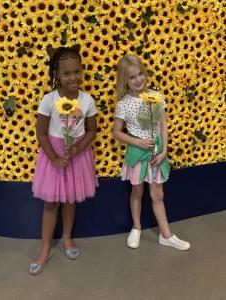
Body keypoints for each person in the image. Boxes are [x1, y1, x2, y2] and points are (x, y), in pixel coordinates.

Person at [29, 46, 98, 275]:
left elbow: (91, 130)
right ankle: (45, 248)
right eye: (67, 73)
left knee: (71, 201)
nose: (73, 77)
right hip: (54, 155)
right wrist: (54, 158)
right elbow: (41, 133)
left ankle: (67, 238)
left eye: (77, 71)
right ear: (56, 74)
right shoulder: (49, 100)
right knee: (51, 204)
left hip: (77, 155)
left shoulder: (87, 100)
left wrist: (78, 146)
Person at [113, 54, 190, 251]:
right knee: (137, 191)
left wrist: (164, 150)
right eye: (132, 77)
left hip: (156, 153)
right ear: (124, 80)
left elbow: (163, 125)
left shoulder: (156, 96)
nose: (138, 80)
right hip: (137, 154)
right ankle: (136, 227)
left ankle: (166, 235)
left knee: (158, 194)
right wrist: (137, 141)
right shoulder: (124, 103)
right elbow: (116, 132)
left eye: (140, 74)